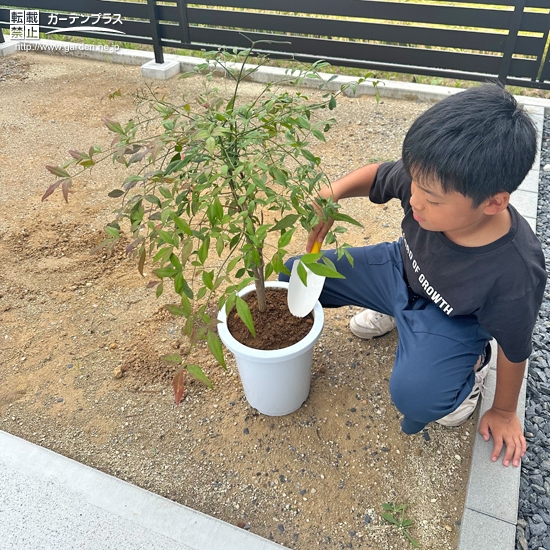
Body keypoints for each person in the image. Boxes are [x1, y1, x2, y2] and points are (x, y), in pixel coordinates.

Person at [280, 83, 546, 468]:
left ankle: (472, 365)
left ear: (493, 202)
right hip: (399, 269)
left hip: (451, 317)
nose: (415, 200)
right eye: (415, 184)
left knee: (417, 399)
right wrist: (332, 193)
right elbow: (378, 175)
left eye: (432, 199)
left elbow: (515, 346)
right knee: (293, 277)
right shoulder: (431, 179)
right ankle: (394, 313)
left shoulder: (516, 271)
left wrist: (504, 411)